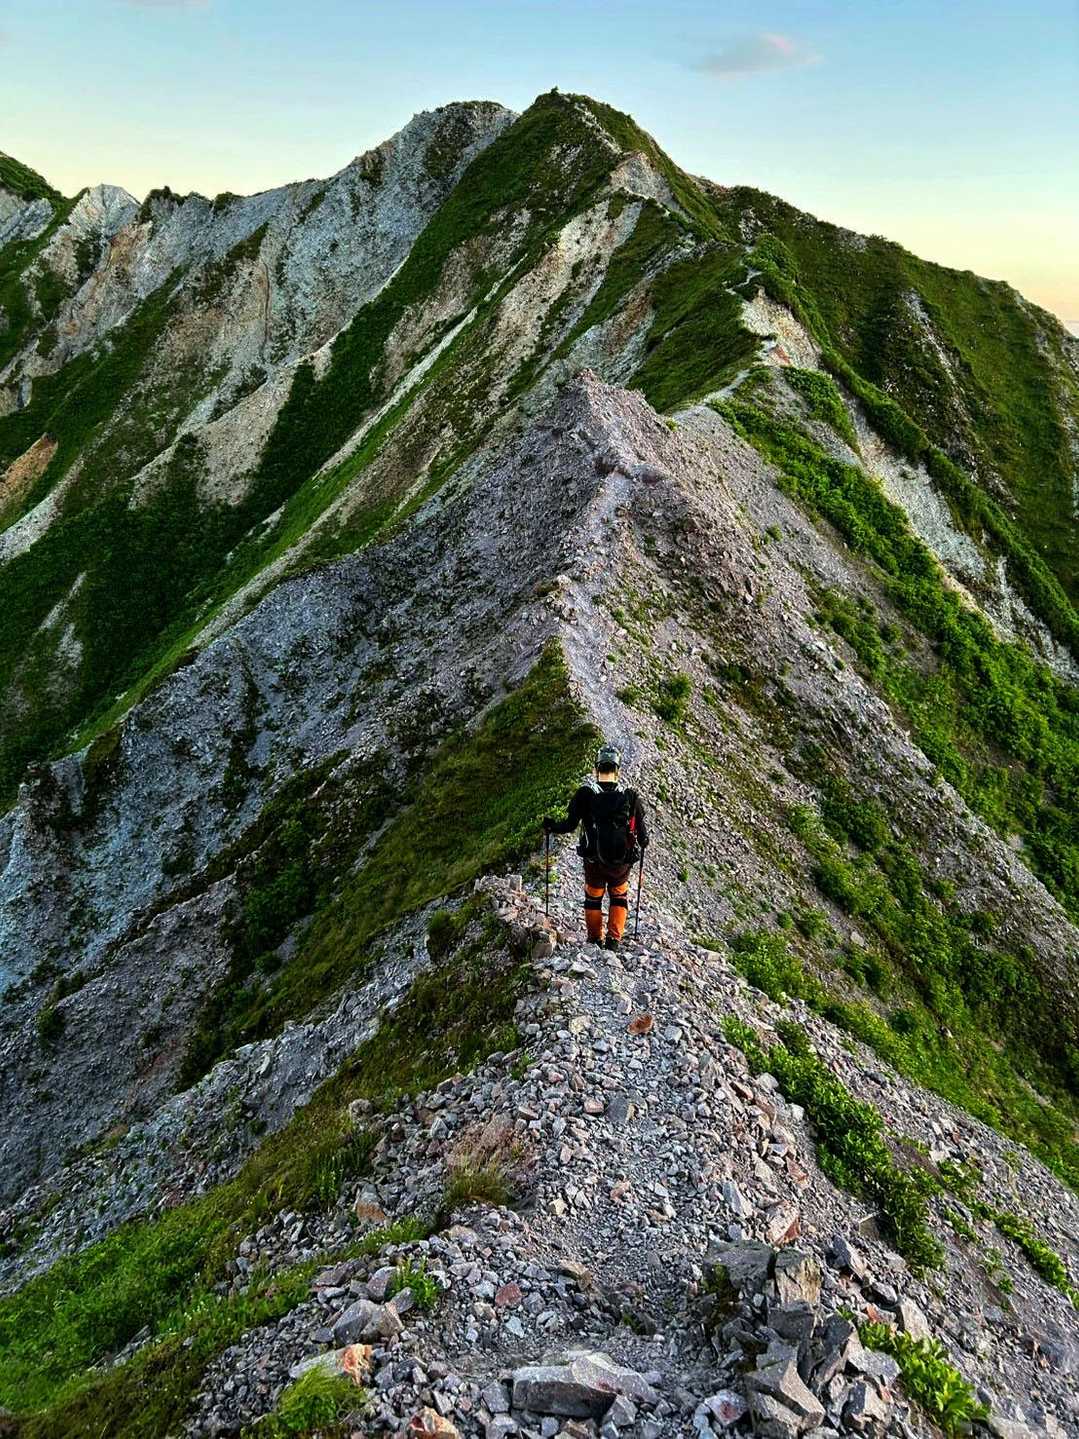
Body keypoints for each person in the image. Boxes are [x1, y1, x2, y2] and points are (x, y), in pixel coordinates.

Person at [543, 743, 649, 951]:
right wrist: (642, 843)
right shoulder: (630, 796)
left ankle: (594, 940)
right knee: (619, 897)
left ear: (596, 769)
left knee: (593, 899)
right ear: (617, 771)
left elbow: (569, 826)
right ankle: (614, 940)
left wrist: (550, 826)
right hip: (621, 862)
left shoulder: (585, 794)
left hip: (594, 860)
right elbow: (643, 836)